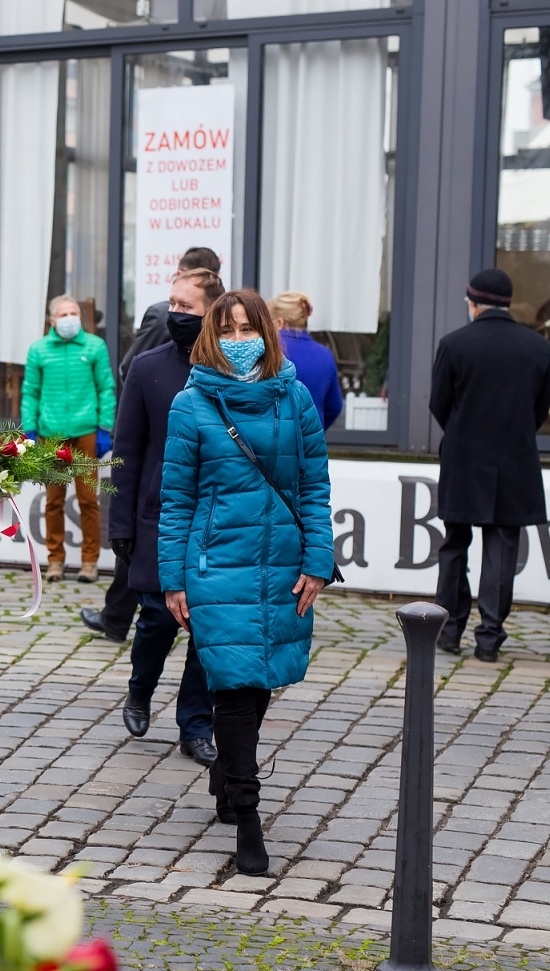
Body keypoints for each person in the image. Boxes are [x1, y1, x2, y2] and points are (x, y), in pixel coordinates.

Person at [158, 290, 333, 875]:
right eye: (227, 330)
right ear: (212, 335)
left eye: (247, 329)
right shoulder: (191, 405)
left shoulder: (297, 399)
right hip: (216, 567)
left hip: (282, 564)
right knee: (233, 685)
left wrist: (317, 559)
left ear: (268, 333)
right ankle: (248, 814)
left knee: (259, 683)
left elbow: (313, 486)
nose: (238, 341)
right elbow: (176, 499)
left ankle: (226, 769)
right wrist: (173, 578)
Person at [108, 268, 224, 768]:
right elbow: (126, 450)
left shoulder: (231, 370)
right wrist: (121, 525)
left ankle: (196, 725)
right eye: (172, 303)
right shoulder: (148, 367)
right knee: (156, 619)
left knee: (207, 629)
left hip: (218, 523)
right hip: (158, 517)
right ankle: (140, 688)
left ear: (211, 314)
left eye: (187, 307)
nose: (176, 314)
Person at [429, 268, 550, 662]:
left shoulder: (454, 344)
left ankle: (448, 633)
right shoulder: (536, 347)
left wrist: (464, 433)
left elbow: (439, 404)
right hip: (514, 460)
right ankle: (489, 639)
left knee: (453, 547)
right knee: (501, 553)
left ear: (473, 303)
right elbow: (541, 407)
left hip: (464, 458)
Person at [22, 294, 115, 583]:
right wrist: (30, 429)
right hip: (51, 434)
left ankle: (90, 562)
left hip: (86, 431)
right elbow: (30, 392)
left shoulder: (95, 346)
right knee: (54, 501)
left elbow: (107, 388)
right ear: (52, 320)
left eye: (74, 313)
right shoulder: (38, 350)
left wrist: (105, 428)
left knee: (89, 500)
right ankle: (55, 561)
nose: (69, 319)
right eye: (63, 314)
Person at [117, 247, 222, 383]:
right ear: (180, 274)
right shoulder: (160, 317)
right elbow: (130, 370)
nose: (176, 311)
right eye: (173, 303)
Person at [268, 292, 343, 429]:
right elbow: (334, 406)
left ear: (279, 322)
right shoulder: (325, 354)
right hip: (311, 443)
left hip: (271, 441)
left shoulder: (269, 350)